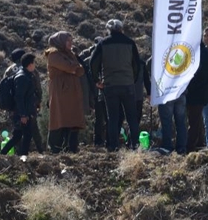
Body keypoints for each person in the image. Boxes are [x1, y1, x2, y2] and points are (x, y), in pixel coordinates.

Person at [89, 19, 142, 152]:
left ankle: (113, 146)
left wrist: (97, 80)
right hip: (128, 84)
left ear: (108, 30)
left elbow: (93, 63)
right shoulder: (130, 43)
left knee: (112, 117)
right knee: (131, 117)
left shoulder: (103, 43)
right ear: (121, 29)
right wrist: (132, 79)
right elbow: (137, 64)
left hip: (110, 85)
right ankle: (134, 145)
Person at [44, 32, 85, 153]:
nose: (71, 43)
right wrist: (73, 67)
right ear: (60, 41)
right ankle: (55, 149)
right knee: (59, 120)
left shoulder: (70, 54)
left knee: (72, 122)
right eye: (68, 41)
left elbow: (79, 70)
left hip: (72, 92)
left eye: (71, 41)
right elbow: (70, 67)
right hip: (60, 92)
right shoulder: (54, 55)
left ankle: (71, 149)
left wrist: (74, 67)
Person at [8, 53, 39, 158]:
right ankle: (23, 157)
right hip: (22, 113)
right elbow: (19, 97)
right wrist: (23, 115)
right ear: (30, 64)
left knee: (18, 136)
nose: (35, 65)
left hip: (25, 111)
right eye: (34, 63)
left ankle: (2, 154)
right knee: (26, 135)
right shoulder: (22, 77)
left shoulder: (27, 75)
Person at [184, 36, 208, 153]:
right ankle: (200, 145)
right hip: (200, 93)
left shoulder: (198, 53)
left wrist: (188, 87)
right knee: (197, 120)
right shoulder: (205, 52)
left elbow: (200, 75)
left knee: (194, 121)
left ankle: (190, 148)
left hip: (195, 93)